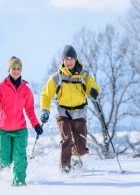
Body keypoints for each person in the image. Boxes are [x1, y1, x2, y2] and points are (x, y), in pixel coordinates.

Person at [40, 45, 100, 173]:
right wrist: (45, 111)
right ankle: (65, 171)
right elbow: (45, 95)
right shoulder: (57, 77)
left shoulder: (84, 75)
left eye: (71, 59)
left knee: (81, 150)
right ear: (62, 60)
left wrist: (94, 92)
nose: (69, 62)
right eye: (66, 59)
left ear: (75, 59)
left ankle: (71, 154)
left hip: (79, 113)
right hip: (63, 114)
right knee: (67, 140)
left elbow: (94, 89)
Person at [0, 56, 43, 186]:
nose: (16, 71)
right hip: (3, 129)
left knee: (20, 159)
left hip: (20, 130)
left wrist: (36, 125)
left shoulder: (26, 90)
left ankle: (19, 185)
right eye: (13, 68)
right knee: (5, 160)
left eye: (18, 68)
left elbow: (30, 111)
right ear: (9, 69)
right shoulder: (1, 87)